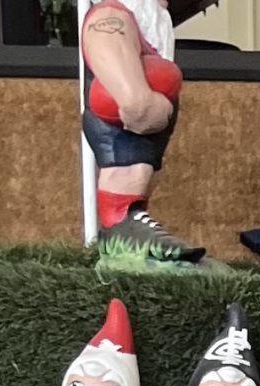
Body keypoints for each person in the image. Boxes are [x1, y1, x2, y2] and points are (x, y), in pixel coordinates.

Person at [76, 0, 199, 261]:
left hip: (142, 141)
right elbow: (137, 107)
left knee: (141, 170)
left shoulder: (153, 18)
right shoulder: (114, 15)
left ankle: (132, 218)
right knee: (128, 169)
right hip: (121, 138)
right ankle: (122, 222)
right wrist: (144, 104)